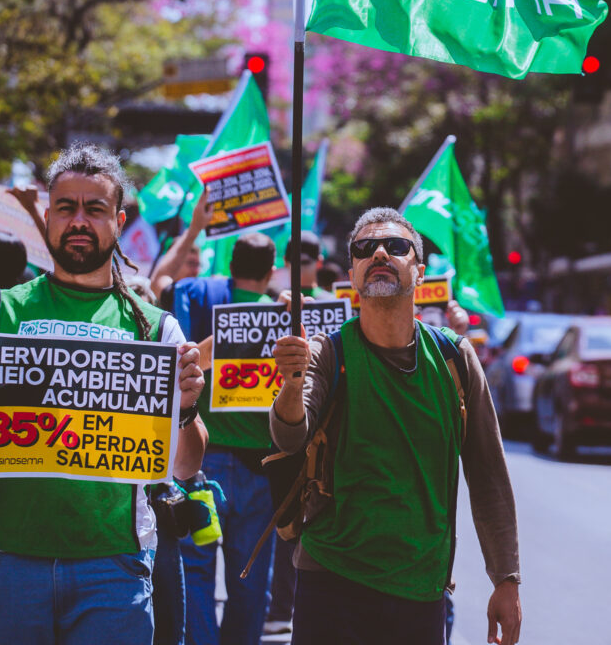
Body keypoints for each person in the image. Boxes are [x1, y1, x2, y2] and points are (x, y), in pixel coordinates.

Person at [0, 143, 208, 645]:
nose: (79, 221)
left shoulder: (157, 330)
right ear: (47, 218)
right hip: (5, 563)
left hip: (113, 571)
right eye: (66, 208)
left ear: (119, 221)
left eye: (95, 209)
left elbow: (185, 466)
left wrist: (186, 409)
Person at [271, 207, 522, 645]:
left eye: (396, 246)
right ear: (352, 272)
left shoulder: (455, 359)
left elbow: (488, 474)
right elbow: (289, 436)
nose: (380, 253)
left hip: (419, 588)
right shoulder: (328, 352)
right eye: (365, 248)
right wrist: (291, 385)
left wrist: (506, 578)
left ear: (419, 271)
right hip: (330, 578)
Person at [172, 231, 278, 645]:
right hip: (261, 470)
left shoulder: (208, 310)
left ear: (231, 268)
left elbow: (185, 369)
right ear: (271, 271)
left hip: (204, 465)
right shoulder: (287, 319)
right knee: (251, 576)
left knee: (195, 569)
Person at [263, 231, 334, 640]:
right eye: (296, 262)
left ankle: (296, 606)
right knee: (286, 525)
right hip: (285, 430)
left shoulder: (337, 305)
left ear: (319, 263)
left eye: (308, 261)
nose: (303, 268)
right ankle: (279, 607)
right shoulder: (275, 304)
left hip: (326, 439)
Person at [151, 189, 215, 302]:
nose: (196, 271)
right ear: (176, 261)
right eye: (191, 263)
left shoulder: (201, 298)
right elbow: (157, 283)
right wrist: (194, 228)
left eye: (198, 265)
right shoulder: (170, 298)